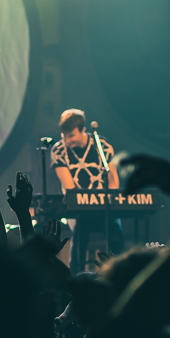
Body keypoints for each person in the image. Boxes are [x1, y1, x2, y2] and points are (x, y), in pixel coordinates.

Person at [50, 109, 124, 272]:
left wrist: (111, 200)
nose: (67, 140)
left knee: (116, 231)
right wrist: (86, 202)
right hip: (79, 208)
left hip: (104, 204)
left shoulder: (101, 145)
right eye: (64, 136)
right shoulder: (59, 151)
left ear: (83, 130)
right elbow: (69, 187)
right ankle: (76, 274)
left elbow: (113, 178)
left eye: (71, 136)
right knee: (80, 230)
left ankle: (122, 271)